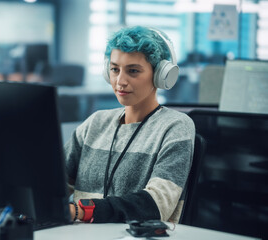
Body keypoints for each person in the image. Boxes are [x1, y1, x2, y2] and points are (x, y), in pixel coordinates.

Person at [64, 26, 195, 224]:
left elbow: (155, 205)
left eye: (133, 71)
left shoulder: (176, 127)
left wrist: (80, 211)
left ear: (161, 74)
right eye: (115, 69)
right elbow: (55, 183)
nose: (120, 81)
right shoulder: (95, 123)